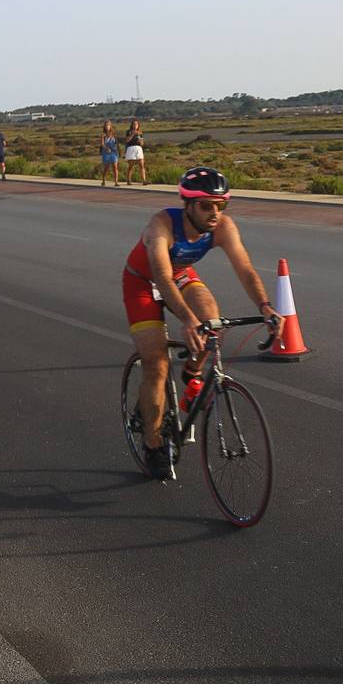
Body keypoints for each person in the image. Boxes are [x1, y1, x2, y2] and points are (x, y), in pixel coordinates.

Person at [122, 167, 282, 480]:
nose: (215, 212)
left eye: (221, 205)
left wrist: (265, 307)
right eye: (207, 205)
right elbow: (162, 278)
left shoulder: (222, 227)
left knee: (213, 320)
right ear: (188, 204)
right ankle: (153, 446)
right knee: (156, 364)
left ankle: (192, 374)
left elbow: (245, 270)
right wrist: (187, 320)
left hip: (180, 275)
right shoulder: (161, 226)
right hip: (143, 283)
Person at [123, 119, 146, 185]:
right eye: (134, 124)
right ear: (132, 125)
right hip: (131, 148)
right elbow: (127, 140)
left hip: (138, 148)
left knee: (141, 164)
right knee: (131, 165)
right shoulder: (129, 131)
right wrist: (132, 135)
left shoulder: (140, 132)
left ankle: (144, 180)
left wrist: (140, 141)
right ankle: (128, 180)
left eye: (136, 124)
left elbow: (142, 143)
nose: (135, 125)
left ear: (138, 125)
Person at [99, 120, 119, 187]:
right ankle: (103, 180)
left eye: (108, 125)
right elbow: (102, 144)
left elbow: (116, 143)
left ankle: (116, 182)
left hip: (113, 151)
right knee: (106, 167)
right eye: (106, 125)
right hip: (106, 152)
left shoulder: (113, 134)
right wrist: (106, 148)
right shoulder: (103, 135)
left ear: (110, 126)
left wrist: (116, 148)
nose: (107, 126)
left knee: (115, 166)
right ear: (104, 126)